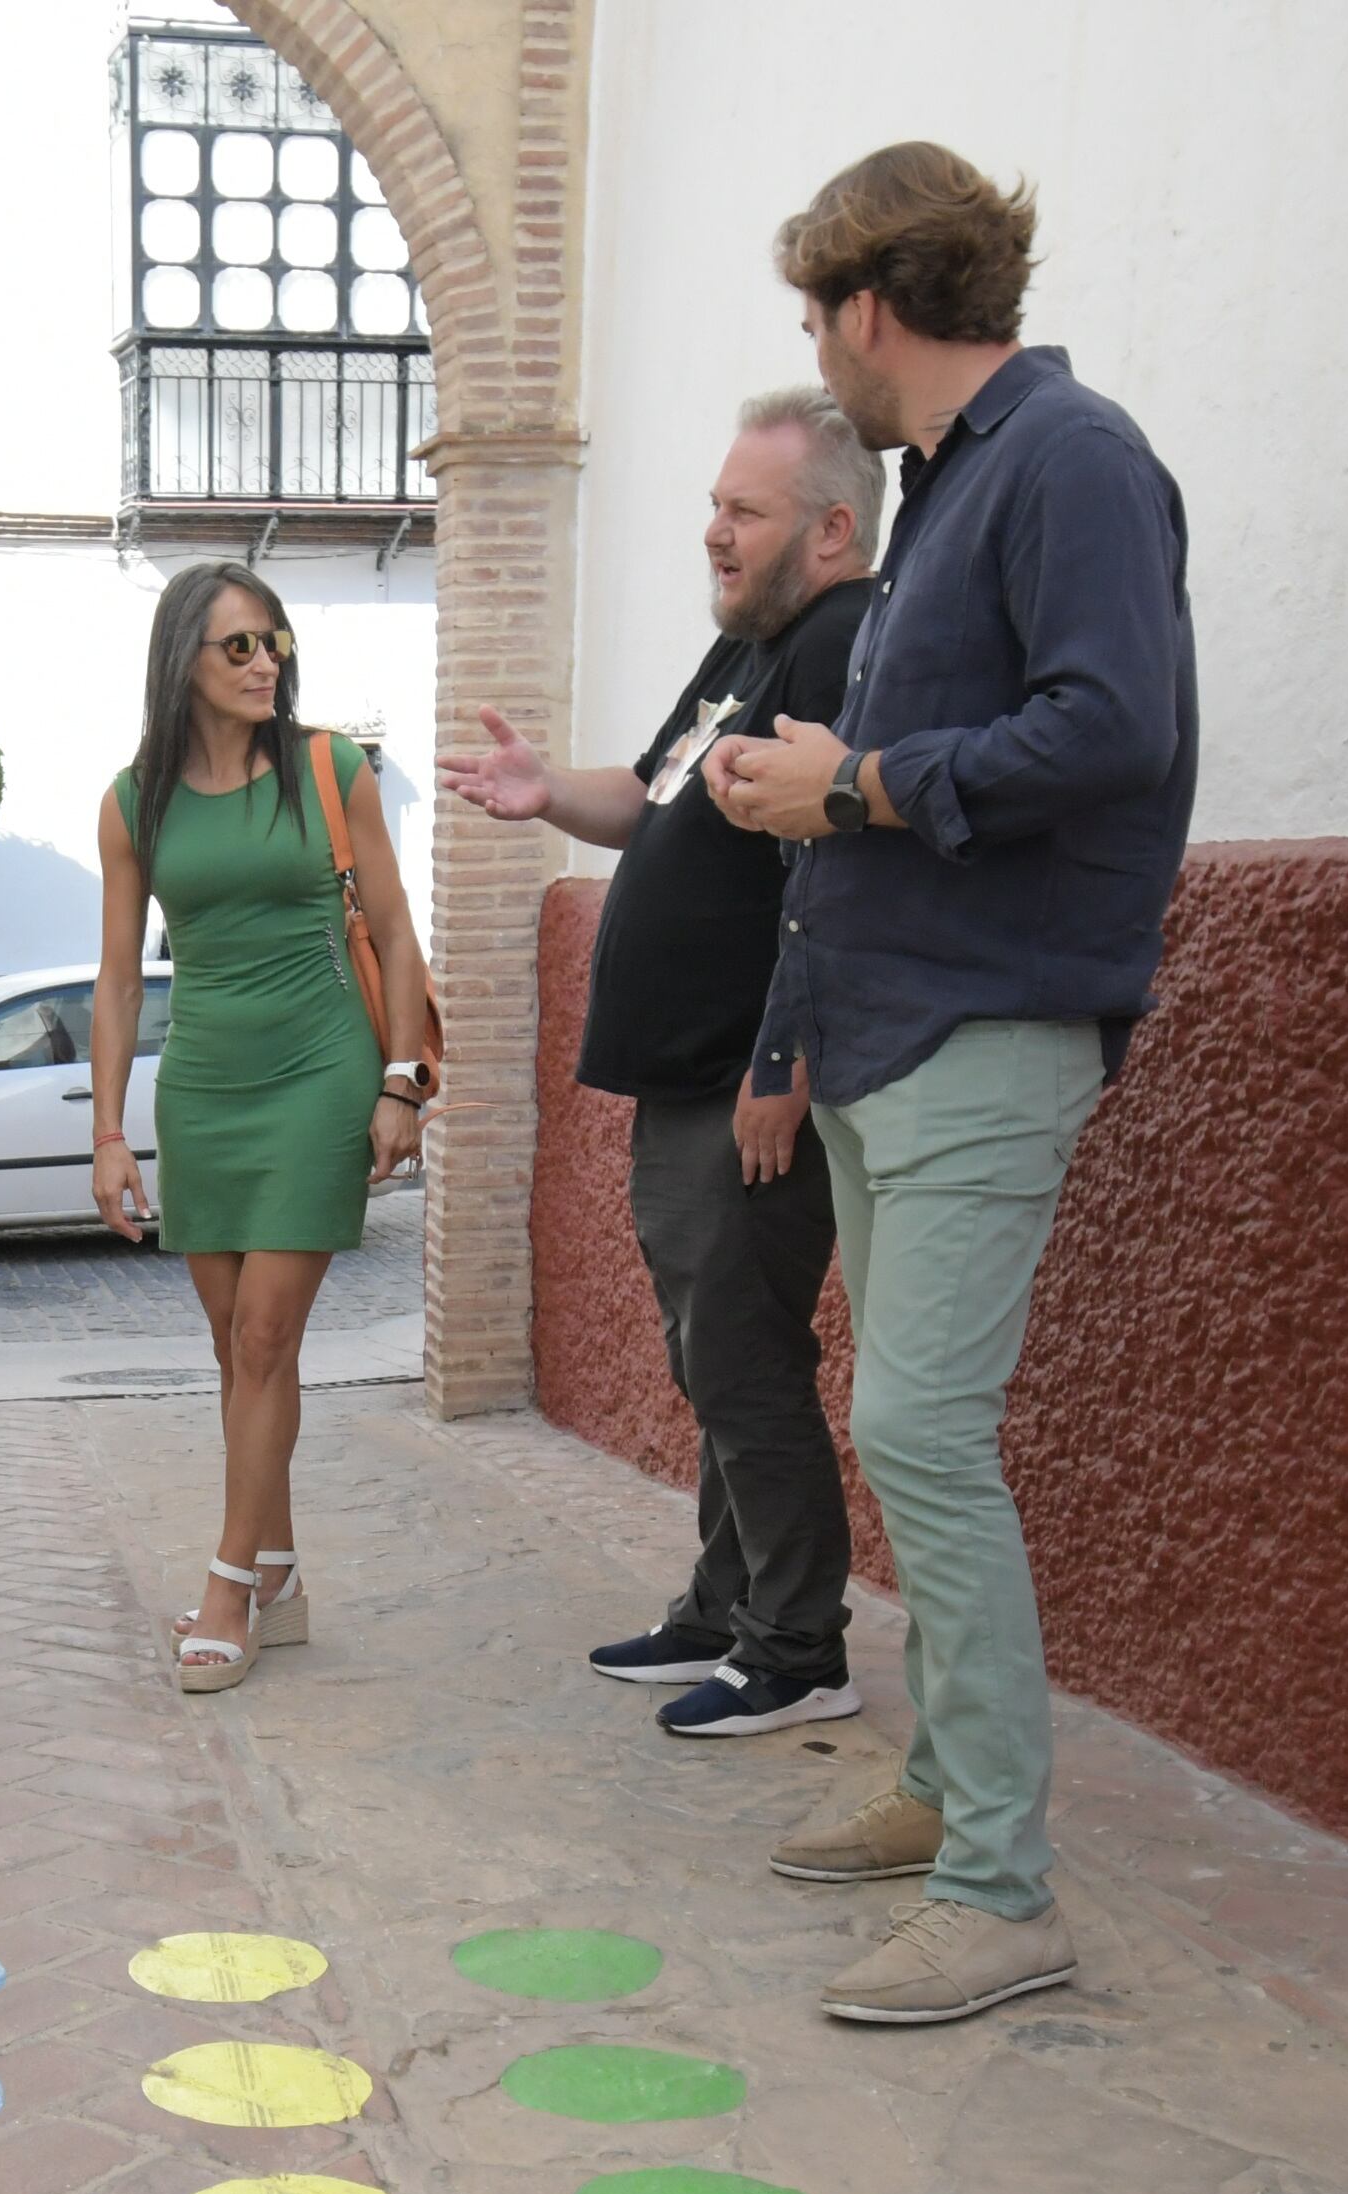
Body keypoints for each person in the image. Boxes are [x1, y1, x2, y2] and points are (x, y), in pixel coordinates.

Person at [705, 144, 1199, 2022]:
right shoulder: (956, 483)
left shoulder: (1069, 461)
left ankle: (1002, 1881)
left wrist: (857, 783)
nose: (815, 353)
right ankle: (940, 1791)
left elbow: (1111, 727)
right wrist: (822, 788)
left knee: (921, 1434)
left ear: (866, 304)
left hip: (992, 1030)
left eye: (811, 315)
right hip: (899, 1030)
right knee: (904, 1427)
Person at [444, 388, 882, 1741]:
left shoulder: (841, 645)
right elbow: (651, 799)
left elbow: (840, 877)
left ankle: (799, 1644)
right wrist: (544, 795)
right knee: (712, 1353)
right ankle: (724, 1602)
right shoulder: (749, 651)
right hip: (689, 1077)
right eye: (713, 506)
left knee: (743, 1360)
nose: (712, 532)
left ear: (832, 530)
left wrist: (783, 1060)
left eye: (742, 511)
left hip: (746, 1085)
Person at [87, 564, 433, 1695]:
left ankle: (231, 1582)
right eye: (235, 645)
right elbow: (119, 981)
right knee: (235, 1343)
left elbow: (391, 920)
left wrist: (401, 1083)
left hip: (319, 1074)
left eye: (271, 640)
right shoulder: (135, 797)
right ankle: (279, 1573)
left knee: (265, 1343)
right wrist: (106, 1132)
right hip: (204, 1086)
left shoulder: (330, 768)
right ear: (181, 657)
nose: (262, 661)